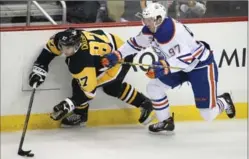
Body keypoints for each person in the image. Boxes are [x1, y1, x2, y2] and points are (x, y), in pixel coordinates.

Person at [101, 3, 236, 133]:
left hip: (199, 66)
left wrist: (164, 67)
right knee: (154, 87)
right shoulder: (151, 28)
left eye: (149, 20)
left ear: (159, 19)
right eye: (145, 19)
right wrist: (117, 54)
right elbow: (135, 44)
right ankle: (166, 121)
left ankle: (224, 100)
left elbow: (187, 58)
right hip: (176, 67)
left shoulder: (175, 33)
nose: (146, 23)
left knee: (208, 115)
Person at [28, 28, 153, 127]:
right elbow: (49, 50)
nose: (64, 51)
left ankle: (80, 114)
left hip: (119, 56)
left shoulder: (80, 63)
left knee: (82, 85)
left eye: (68, 48)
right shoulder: (61, 38)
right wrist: (40, 67)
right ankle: (144, 103)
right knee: (112, 88)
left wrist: (69, 104)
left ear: (76, 45)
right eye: (62, 46)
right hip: (109, 47)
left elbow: (89, 92)